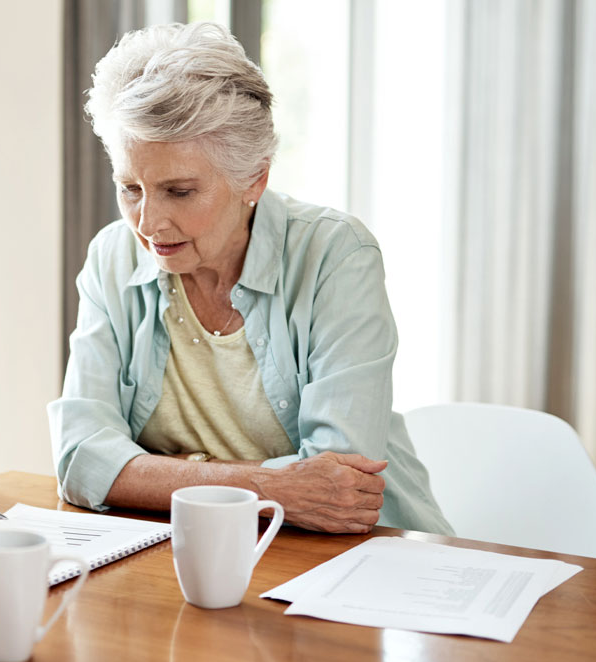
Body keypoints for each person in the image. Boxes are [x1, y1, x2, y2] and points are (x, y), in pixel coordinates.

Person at [48, 23, 451, 535]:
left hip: (355, 557)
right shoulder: (113, 256)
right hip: (189, 548)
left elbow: (338, 484)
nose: (148, 224)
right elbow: (80, 459)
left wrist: (149, 477)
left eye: (179, 191)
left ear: (254, 179)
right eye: (130, 188)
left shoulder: (336, 255)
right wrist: (271, 488)